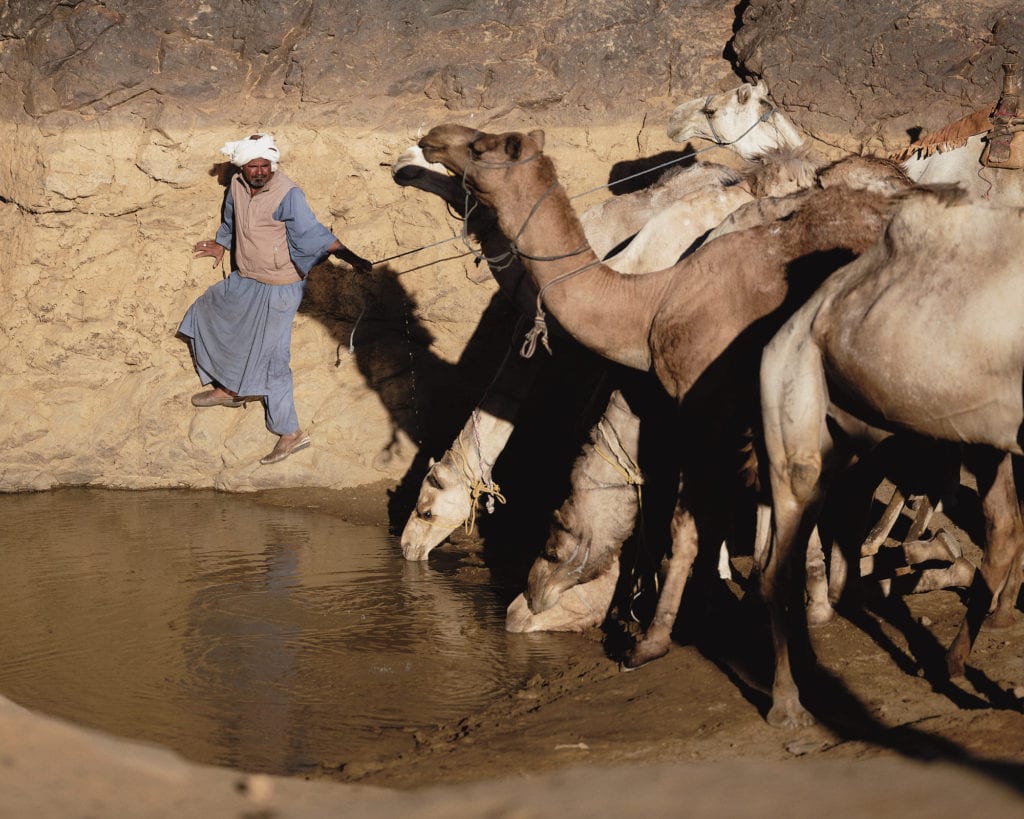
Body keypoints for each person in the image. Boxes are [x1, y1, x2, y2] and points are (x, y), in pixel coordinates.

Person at [179, 133, 372, 465]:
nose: (258, 171)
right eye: (252, 165)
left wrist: (352, 259)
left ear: (272, 164)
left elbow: (315, 235)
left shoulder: (288, 194)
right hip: (248, 277)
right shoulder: (238, 185)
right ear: (242, 166)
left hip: (281, 286)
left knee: (273, 359)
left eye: (264, 164)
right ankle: (231, 388)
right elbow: (231, 217)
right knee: (204, 312)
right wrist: (221, 244)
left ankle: (290, 432)